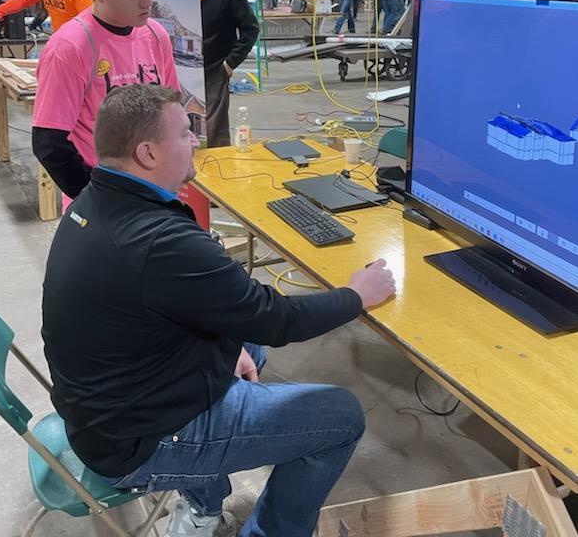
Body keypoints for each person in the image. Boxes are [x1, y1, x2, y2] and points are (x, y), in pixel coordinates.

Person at [42, 83, 397, 537]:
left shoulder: (95, 201)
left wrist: (224, 350)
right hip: (139, 443)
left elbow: (178, 309)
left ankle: (201, 505)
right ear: (148, 153)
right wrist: (356, 295)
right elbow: (276, 319)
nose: (195, 139)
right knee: (340, 415)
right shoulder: (160, 241)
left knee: (245, 346)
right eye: (184, 133)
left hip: (107, 410)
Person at [32, 0, 179, 202]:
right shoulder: (69, 47)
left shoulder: (156, 35)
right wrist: (97, 199)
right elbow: (49, 143)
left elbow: (171, 112)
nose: (147, 1)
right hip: (102, 197)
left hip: (155, 192)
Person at [197, 0, 259, 148]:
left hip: (216, 68)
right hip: (187, 69)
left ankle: (218, 165)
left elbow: (251, 29)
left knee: (214, 129)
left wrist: (230, 63)